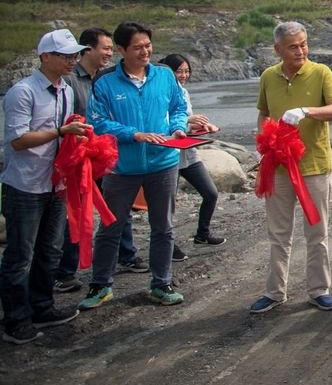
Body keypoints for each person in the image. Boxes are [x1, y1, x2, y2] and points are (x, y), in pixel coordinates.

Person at [81, 22, 190, 310]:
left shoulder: (165, 76)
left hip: (163, 162)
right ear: (121, 50)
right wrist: (134, 134)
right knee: (110, 226)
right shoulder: (105, 83)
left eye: (148, 46)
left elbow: (179, 108)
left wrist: (178, 128)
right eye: (138, 47)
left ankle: (161, 283)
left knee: (163, 227)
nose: (145, 52)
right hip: (122, 166)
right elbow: (99, 122)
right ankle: (101, 284)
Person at [249, 22, 332, 314]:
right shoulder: (268, 77)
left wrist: (307, 111)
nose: (301, 50)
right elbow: (264, 114)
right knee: (278, 232)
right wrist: (264, 139)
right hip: (278, 167)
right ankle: (275, 291)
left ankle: (319, 290)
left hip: (314, 165)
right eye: (293, 46)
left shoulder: (321, 73)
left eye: (304, 44)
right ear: (278, 49)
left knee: (317, 230)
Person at [1, 30, 88, 344]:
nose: (72, 61)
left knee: (50, 250)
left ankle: (41, 305)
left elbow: (64, 134)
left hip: (56, 184)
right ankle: (15, 319)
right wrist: (62, 131)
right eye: (65, 55)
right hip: (25, 185)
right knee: (19, 254)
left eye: (74, 55)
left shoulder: (65, 89)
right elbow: (18, 140)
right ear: (45, 57)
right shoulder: (22, 92)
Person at [54, 27, 148, 293]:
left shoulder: (108, 79)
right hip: (81, 159)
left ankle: (126, 255)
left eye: (110, 48)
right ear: (87, 49)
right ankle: (66, 271)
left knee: (120, 209)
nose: (108, 54)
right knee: (77, 212)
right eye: (105, 48)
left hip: (107, 157)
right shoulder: (72, 82)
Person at [160, 54, 226, 257]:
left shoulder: (185, 92)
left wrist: (202, 125)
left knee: (210, 192)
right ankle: (167, 245)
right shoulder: (160, 92)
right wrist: (189, 119)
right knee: (168, 202)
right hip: (169, 153)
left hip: (187, 151)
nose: (183, 75)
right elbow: (163, 120)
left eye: (186, 71)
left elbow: (186, 122)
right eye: (179, 71)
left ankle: (202, 234)